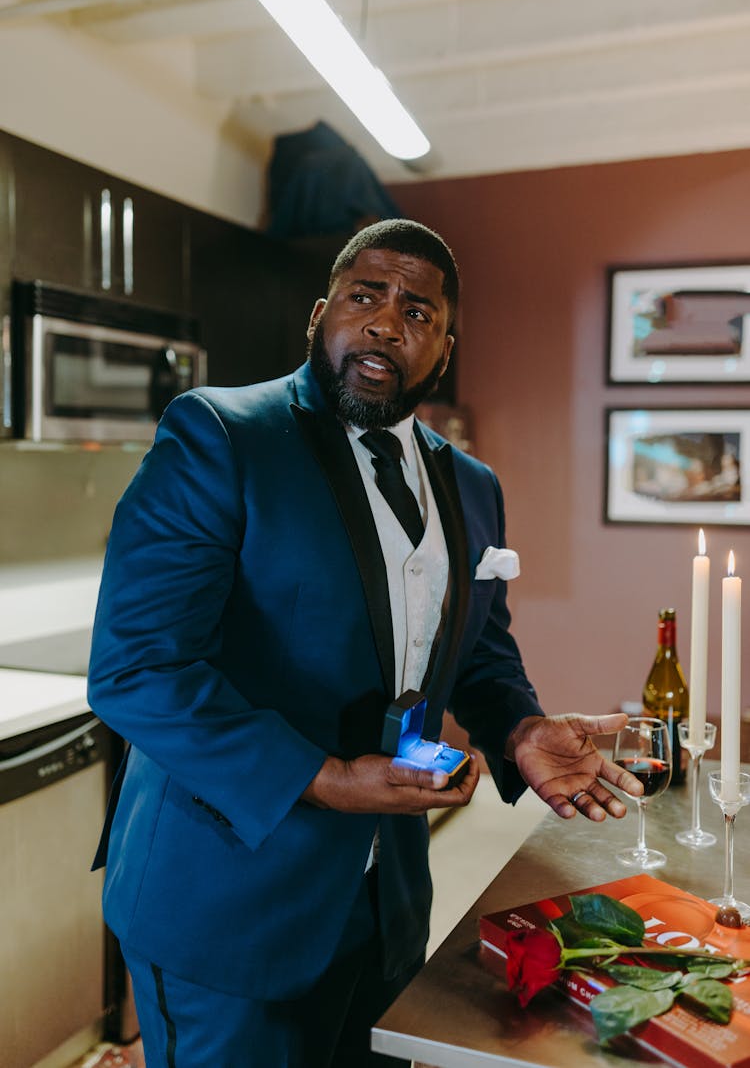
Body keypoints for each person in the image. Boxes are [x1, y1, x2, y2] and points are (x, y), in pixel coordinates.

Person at [88, 219, 641, 1068]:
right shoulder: (223, 437)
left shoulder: (472, 485)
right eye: (365, 295)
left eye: (417, 311)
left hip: (387, 901)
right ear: (320, 316)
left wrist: (520, 727)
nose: (387, 322)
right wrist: (324, 777)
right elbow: (137, 666)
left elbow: (478, 648)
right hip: (228, 905)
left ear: (442, 349)